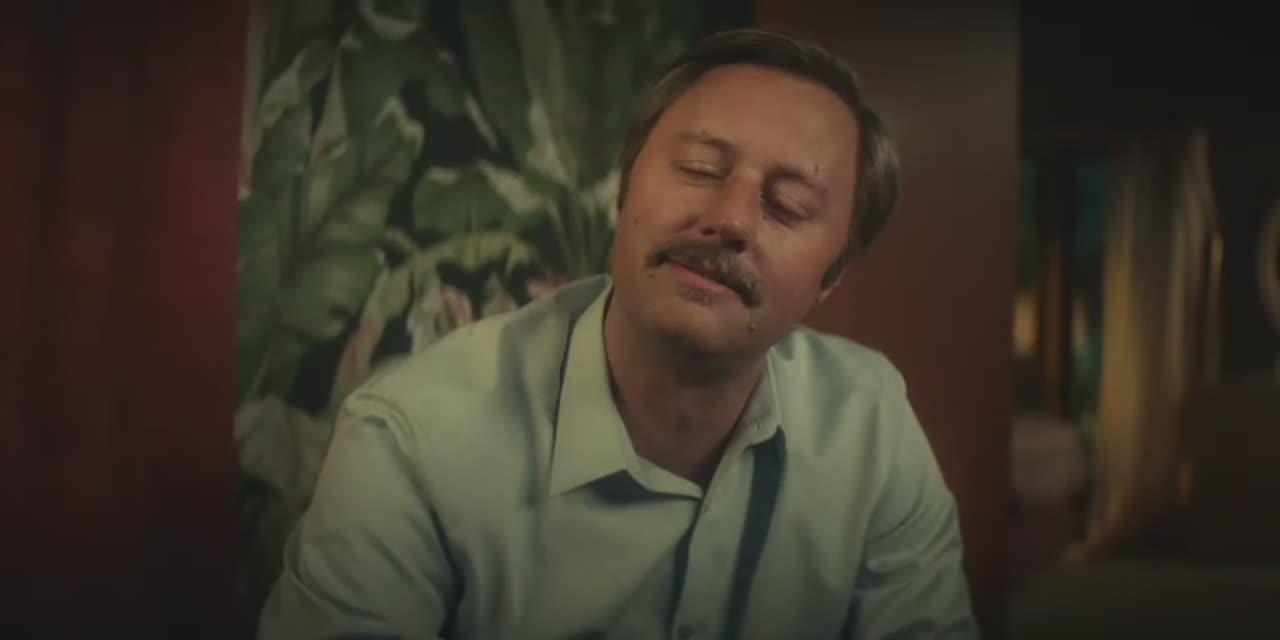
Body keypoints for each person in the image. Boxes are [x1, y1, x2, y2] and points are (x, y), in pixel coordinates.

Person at [258, 28, 979, 639]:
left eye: (787, 205)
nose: (730, 219)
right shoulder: (413, 438)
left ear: (830, 278)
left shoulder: (870, 424)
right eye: (700, 168)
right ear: (626, 185)